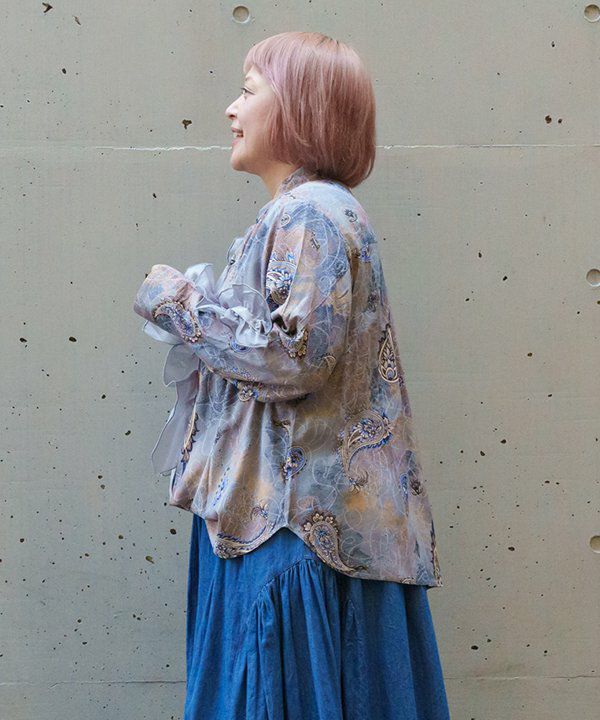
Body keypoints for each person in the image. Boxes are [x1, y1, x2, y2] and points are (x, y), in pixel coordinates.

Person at [133, 30, 451, 720]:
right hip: (308, 529)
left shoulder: (308, 214)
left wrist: (178, 302)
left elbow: (291, 357)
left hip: (289, 531)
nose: (231, 109)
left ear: (300, 109)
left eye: (248, 91)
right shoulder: (314, 213)